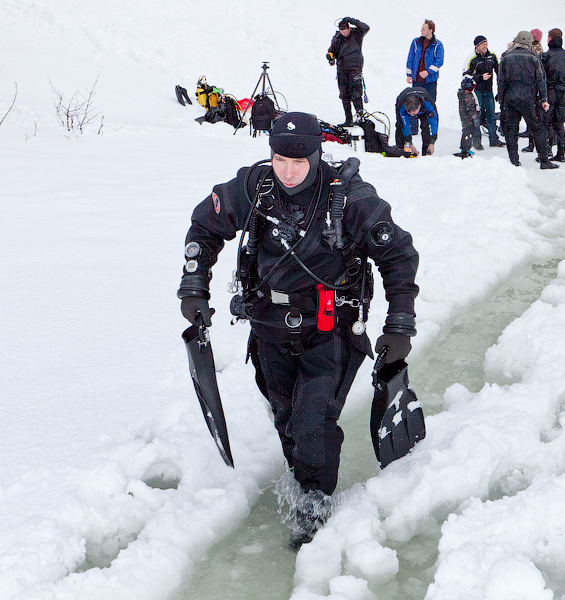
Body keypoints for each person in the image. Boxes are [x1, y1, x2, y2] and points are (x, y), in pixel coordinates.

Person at [177, 112, 419, 547]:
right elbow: (205, 225)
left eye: (299, 163)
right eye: (279, 160)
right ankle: (304, 479)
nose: (287, 172)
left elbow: (398, 256)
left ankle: (314, 508)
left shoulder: (352, 199)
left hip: (330, 331)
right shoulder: (256, 187)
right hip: (268, 327)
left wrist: (400, 323)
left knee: (312, 423)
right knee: (287, 419)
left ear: (316, 155)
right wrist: (194, 285)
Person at [497, 31, 558, 169]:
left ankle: (514, 161)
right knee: (538, 129)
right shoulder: (534, 58)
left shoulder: (506, 58)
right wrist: (544, 99)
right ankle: (544, 160)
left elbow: (501, 81)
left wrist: (501, 99)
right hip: (529, 100)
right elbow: (541, 80)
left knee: (511, 130)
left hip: (510, 99)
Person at [542, 28, 565, 162]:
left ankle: (546, 151)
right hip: (563, 93)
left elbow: (541, 75)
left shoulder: (546, 56)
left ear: (550, 39)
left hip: (550, 92)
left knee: (546, 122)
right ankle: (561, 153)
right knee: (559, 124)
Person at [327, 17, 370, 127]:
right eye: (342, 31)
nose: (344, 33)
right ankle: (348, 119)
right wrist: (330, 56)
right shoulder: (337, 37)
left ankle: (361, 118)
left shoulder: (357, 34)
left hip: (355, 68)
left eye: (345, 30)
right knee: (344, 95)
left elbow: (366, 27)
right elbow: (331, 50)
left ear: (349, 28)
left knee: (356, 93)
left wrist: (353, 21)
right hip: (342, 69)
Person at [465, 35, 505, 147]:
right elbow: (466, 76)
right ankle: (477, 141)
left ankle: (494, 139)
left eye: (486, 44)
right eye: (483, 44)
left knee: (491, 115)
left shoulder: (492, 56)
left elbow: (499, 71)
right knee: (477, 115)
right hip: (477, 91)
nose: (485, 46)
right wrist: (480, 77)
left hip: (489, 91)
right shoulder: (472, 59)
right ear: (477, 46)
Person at [521, 28, 548, 154]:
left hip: (532, 88)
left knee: (534, 118)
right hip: (538, 88)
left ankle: (533, 144)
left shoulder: (532, 50)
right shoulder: (541, 49)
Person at [406, 19, 444, 101]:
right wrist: (409, 75)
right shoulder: (415, 42)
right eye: (421, 28)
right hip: (417, 81)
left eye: (423, 29)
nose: (421, 30)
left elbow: (439, 61)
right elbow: (410, 59)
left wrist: (428, 72)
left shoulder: (438, 45)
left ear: (431, 30)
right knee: (415, 104)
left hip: (430, 82)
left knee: (430, 104)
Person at [394, 87, 438, 156]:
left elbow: (433, 121)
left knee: (425, 126)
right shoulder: (402, 105)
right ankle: (400, 149)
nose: (412, 115)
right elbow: (404, 125)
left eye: (413, 113)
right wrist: (409, 143)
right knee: (400, 125)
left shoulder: (428, 102)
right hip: (402, 99)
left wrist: (432, 142)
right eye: (410, 114)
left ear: (419, 106)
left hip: (424, 107)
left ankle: (426, 152)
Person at [456, 75, 482, 157]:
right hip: (468, 118)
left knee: (466, 132)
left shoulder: (464, 95)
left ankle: (465, 148)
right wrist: (475, 117)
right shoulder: (468, 96)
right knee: (468, 132)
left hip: (465, 117)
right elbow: (470, 108)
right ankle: (465, 149)